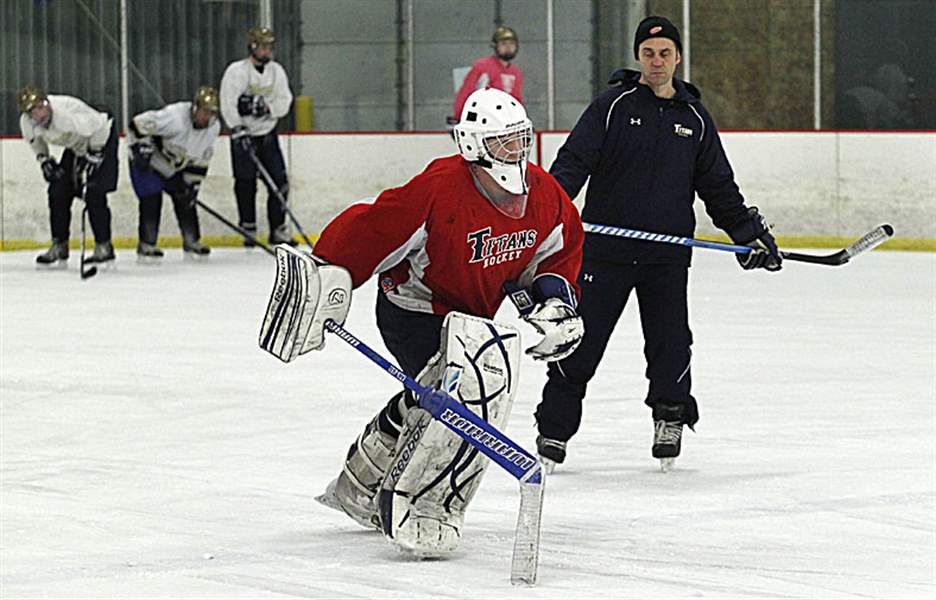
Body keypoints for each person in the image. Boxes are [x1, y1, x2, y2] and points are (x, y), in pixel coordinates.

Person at [262, 88, 583, 555]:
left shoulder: (543, 193)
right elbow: (372, 226)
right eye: (502, 143)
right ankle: (423, 505)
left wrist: (554, 303)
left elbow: (556, 252)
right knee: (462, 399)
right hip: (414, 310)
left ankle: (358, 485)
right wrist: (330, 273)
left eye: (520, 140)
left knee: (431, 395)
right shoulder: (439, 189)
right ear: (473, 144)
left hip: (472, 319)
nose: (514, 152)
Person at [533, 16, 783, 472]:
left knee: (670, 345)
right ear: (638, 58)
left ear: (678, 58)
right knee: (580, 343)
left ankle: (670, 417)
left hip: (666, 257)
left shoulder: (694, 119)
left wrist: (749, 236)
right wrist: (539, 218)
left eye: (665, 53)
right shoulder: (613, 105)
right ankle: (554, 429)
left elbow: (719, 188)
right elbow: (572, 164)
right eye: (649, 53)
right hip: (605, 253)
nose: (657, 61)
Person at [17, 85, 118, 267]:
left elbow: (103, 123)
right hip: (76, 146)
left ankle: (104, 246)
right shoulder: (27, 123)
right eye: (33, 111)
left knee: (94, 191)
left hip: (100, 137)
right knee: (58, 190)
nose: (39, 113)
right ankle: (60, 244)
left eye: (41, 106)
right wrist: (44, 160)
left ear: (47, 102)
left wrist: (95, 153)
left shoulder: (66, 115)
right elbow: (36, 142)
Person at [220, 26, 295, 247]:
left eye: (269, 47)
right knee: (245, 183)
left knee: (279, 182)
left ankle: (278, 229)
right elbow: (228, 102)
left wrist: (266, 108)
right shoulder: (237, 71)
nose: (266, 51)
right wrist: (237, 127)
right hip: (242, 135)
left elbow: (285, 101)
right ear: (253, 46)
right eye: (262, 46)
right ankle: (248, 227)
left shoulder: (276, 71)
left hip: (267, 135)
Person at [127, 86, 221, 260]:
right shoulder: (175, 118)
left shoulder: (213, 128)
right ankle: (147, 244)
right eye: (204, 112)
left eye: (212, 113)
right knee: (152, 198)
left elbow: (201, 160)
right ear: (194, 108)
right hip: (150, 161)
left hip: (174, 165)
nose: (207, 117)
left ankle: (192, 240)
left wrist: (192, 186)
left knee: (185, 199)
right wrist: (142, 148)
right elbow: (137, 124)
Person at [450, 26, 524, 127]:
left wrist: (521, 120)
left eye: (511, 43)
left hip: (505, 124)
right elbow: (466, 92)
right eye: (503, 44)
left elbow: (516, 100)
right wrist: (458, 117)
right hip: (483, 122)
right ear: (495, 46)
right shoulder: (483, 66)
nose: (508, 47)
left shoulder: (516, 72)